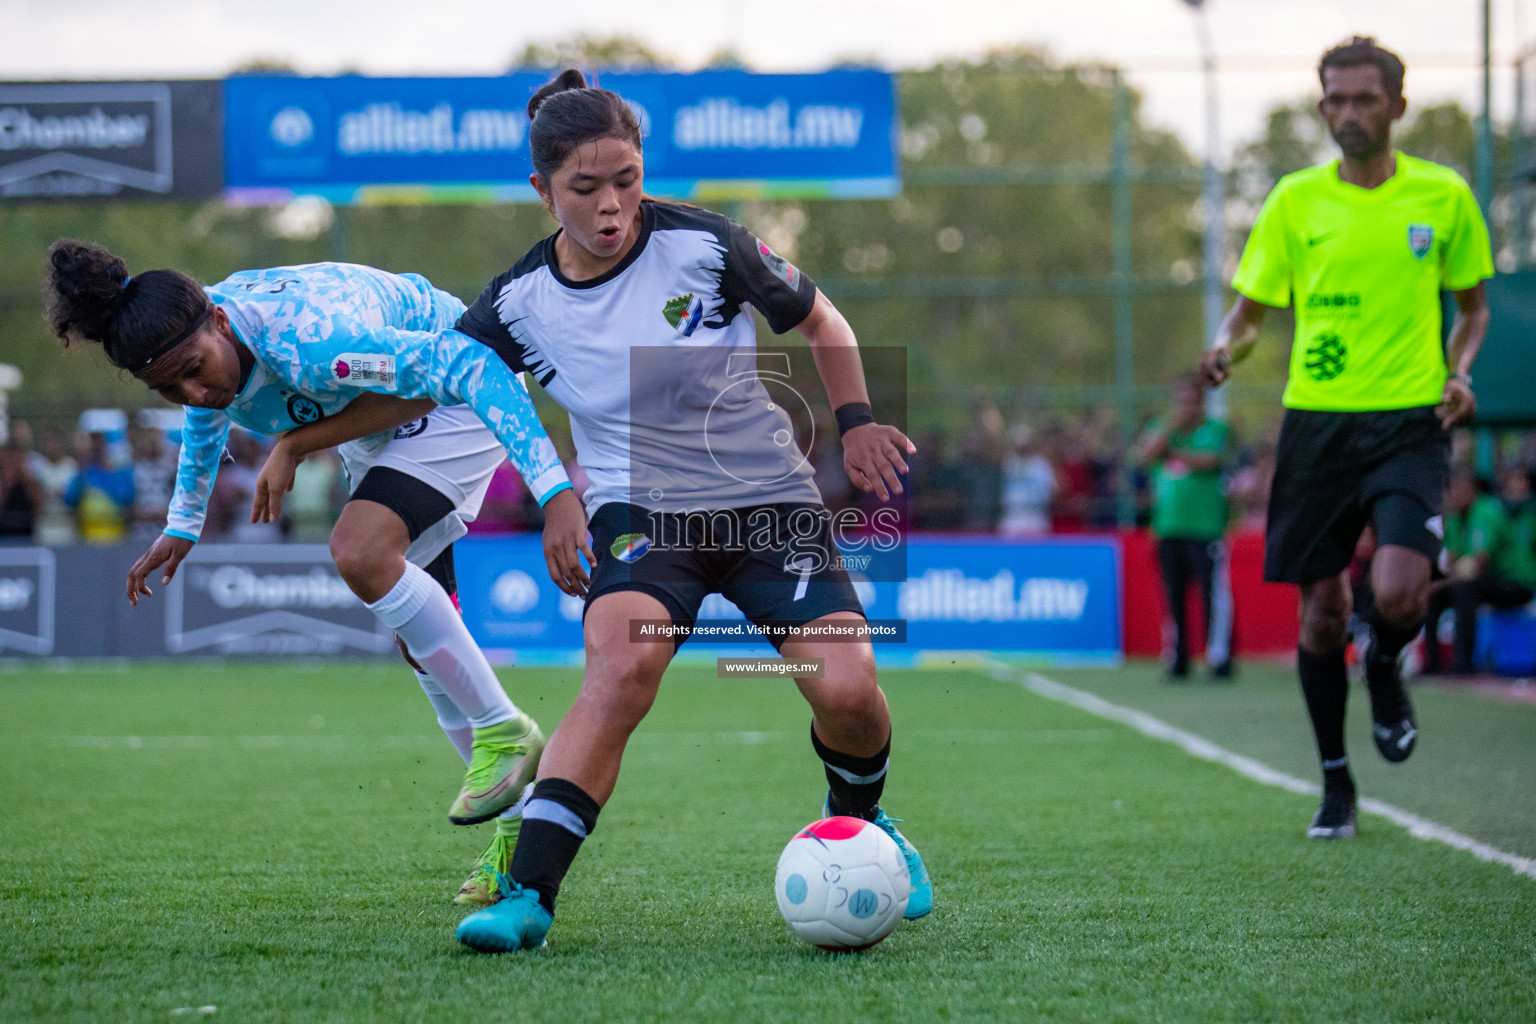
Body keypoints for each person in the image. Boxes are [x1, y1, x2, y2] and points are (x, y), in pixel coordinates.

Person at [391, 69, 932, 952]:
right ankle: (528, 896)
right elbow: (438, 381)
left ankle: (862, 819)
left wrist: (859, 423)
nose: (612, 206)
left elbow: (824, 323)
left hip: (765, 500)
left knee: (847, 689)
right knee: (619, 673)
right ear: (542, 190)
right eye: (585, 189)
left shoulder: (708, 245)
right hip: (640, 513)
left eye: (627, 181)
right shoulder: (518, 301)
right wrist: (301, 439)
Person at [45, 240, 593, 905]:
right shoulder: (193, 330)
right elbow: (207, 411)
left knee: (359, 550)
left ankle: (505, 730)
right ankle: (516, 827)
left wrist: (555, 492)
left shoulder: (313, 341)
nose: (194, 391)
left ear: (220, 321)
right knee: (418, 643)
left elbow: (469, 369)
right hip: (373, 421)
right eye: (168, 387)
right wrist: (183, 522)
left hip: (460, 383)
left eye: (193, 369)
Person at [1198, 37, 1493, 839]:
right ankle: (1336, 783)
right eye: (1336, 99)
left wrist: (1459, 372)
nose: (1349, 113)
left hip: (1410, 422)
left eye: (1365, 99)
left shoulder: (1443, 197)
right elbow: (1251, 314)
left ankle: (1390, 663)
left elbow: (1473, 309)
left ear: (1397, 105)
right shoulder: (1295, 201)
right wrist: (1228, 347)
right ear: (1322, 106)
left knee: (1398, 593)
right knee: (1323, 614)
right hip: (1318, 426)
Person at [1138, 375, 1234, 680]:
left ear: (1202, 402)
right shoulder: (1162, 430)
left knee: (1212, 595)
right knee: (1173, 595)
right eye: (1182, 400)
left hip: (1206, 528)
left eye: (1193, 400)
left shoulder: (1216, 430)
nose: (1188, 407)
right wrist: (1170, 429)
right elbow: (1146, 455)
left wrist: (1176, 453)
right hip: (1168, 528)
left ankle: (1219, 657)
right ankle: (1178, 658)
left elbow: (1210, 461)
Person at [1425, 466, 1536, 674]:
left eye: (1458, 488)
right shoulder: (1456, 518)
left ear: (1471, 490)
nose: (1453, 494)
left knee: (1465, 588)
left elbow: (1478, 563)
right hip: (1481, 582)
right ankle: (1432, 665)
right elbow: (1452, 560)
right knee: (1435, 594)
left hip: (1515, 582)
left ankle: (1464, 665)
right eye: (1451, 489)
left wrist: (1448, 578)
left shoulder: (1486, 511)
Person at [63, 430, 135, 543]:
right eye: (93, 441)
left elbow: (126, 499)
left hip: (117, 538)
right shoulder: (83, 473)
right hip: (87, 539)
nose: (96, 446)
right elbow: (70, 499)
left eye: (100, 441)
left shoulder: (120, 473)